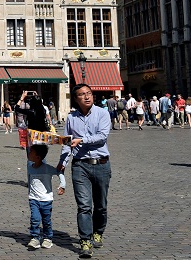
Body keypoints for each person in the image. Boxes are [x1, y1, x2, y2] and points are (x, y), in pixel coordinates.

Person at [57, 83, 111, 258]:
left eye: (89, 93)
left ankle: (98, 232)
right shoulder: (71, 118)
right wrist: (62, 163)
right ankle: (85, 240)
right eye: (82, 94)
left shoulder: (102, 113)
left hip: (102, 164)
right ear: (76, 98)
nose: (87, 96)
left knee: (101, 206)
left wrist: (81, 140)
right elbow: (67, 144)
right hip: (80, 165)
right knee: (84, 206)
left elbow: (102, 136)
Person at [25, 144, 66, 249]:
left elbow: (59, 172)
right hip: (34, 199)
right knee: (34, 218)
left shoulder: (47, 168)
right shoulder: (30, 167)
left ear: (38, 157)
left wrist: (62, 185)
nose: (28, 154)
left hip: (46, 200)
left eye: (31, 152)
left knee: (46, 220)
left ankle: (48, 238)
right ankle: (35, 238)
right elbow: (30, 182)